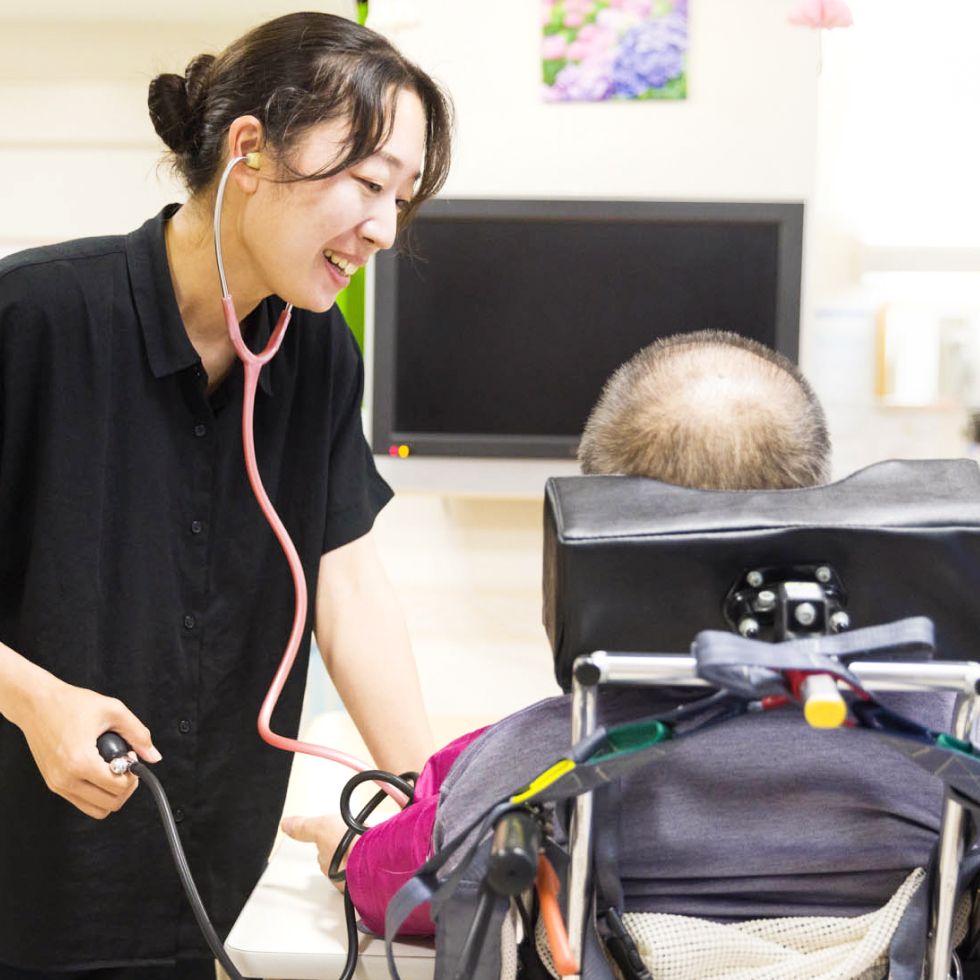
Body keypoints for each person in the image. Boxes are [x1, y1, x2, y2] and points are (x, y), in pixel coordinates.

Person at [0, 12, 451, 978]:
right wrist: (33, 699)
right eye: (366, 182)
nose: (385, 226)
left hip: (194, 889)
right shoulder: (34, 320)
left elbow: (346, 580)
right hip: (20, 884)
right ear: (250, 149)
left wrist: (439, 805)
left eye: (402, 197)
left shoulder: (316, 350)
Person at [283, 329, 951, 941]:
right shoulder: (941, 742)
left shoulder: (551, 756)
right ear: (817, 506)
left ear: (608, 535)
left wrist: (347, 851)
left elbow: (400, 885)